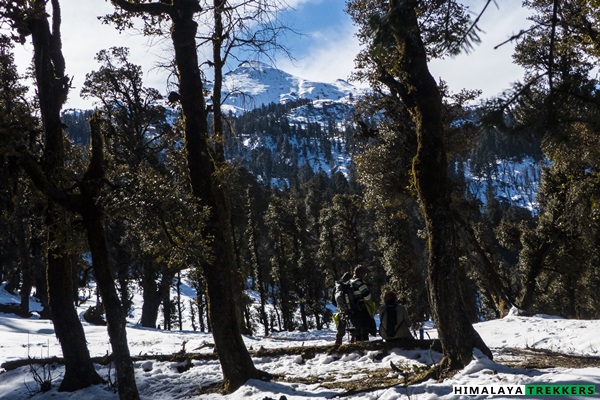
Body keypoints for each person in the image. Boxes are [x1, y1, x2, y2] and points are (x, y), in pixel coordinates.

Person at [349, 265, 376, 341]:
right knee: (364, 329)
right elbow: (367, 297)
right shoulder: (360, 283)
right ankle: (365, 347)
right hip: (361, 310)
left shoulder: (350, 282)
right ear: (362, 274)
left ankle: (356, 346)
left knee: (356, 330)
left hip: (353, 310)